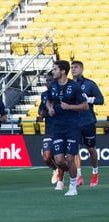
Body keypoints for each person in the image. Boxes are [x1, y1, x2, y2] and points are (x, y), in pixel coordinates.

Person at [46, 60, 88, 196]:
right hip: (58, 127)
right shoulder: (52, 86)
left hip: (72, 127)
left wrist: (69, 107)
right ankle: (75, 176)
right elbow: (48, 100)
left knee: (70, 158)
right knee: (59, 160)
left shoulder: (74, 86)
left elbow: (85, 106)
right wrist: (50, 108)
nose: (53, 71)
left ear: (63, 71)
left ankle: (73, 187)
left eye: (55, 69)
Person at [71, 60, 104, 187]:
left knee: (91, 149)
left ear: (82, 69)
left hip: (87, 121)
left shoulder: (89, 84)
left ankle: (95, 172)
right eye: (72, 67)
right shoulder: (69, 85)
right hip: (74, 122)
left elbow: (101, 100)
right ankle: (78, 175)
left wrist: (89, 99)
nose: (74, 69)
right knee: (74, 150)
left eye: (76, 67)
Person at [38, 71, 60, 187]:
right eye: (46, 81)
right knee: (46, 158)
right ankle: (55, 169)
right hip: (49, 130)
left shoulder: (61, 93)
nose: (47, 83)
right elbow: (41, 108)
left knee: (59, 157)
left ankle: (62, 181)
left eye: (50, 80)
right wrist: (41, 114)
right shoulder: (44, 95)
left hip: (60, 129)